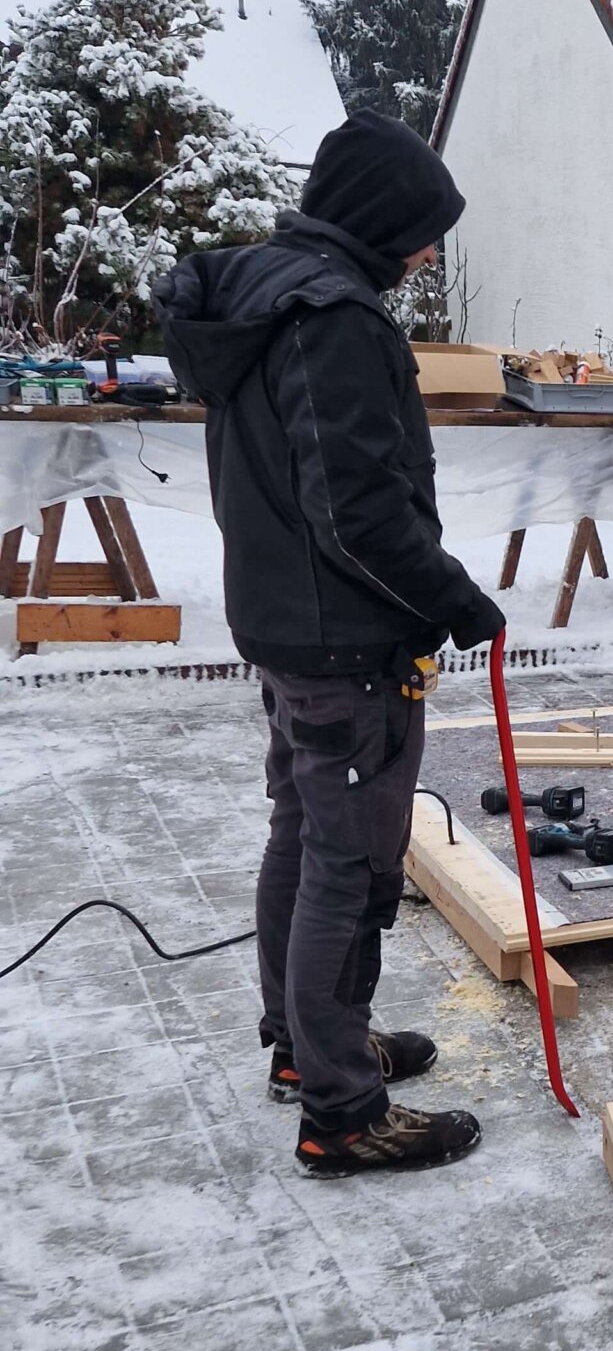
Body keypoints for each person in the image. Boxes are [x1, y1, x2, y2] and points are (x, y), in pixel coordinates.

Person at [156, 114, 505, 1179]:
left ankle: (308, 1049)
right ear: (379, 217)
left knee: (304, 835)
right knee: (347, 870)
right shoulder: (335, 317)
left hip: (291, 624)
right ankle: (343, 1113)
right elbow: (356, 514)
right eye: (424, 230)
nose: (430, 252)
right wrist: (456, 600)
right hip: (346, 639)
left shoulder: (263, 295)